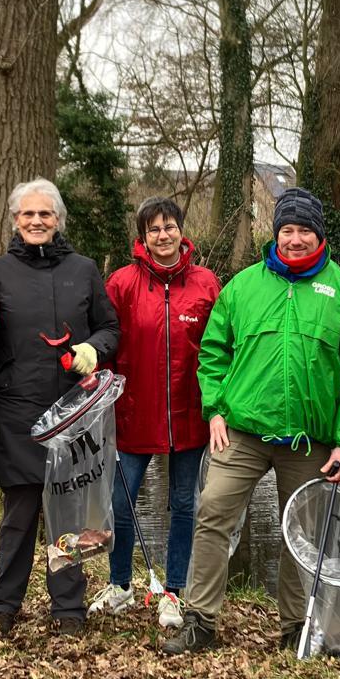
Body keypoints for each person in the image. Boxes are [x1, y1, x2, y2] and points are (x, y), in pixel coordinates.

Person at [160, 187, 340, 655]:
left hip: (309, 440)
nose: (295, 240)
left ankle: (297, 627)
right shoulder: (243, 287)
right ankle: (200, 620)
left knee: (303, 534)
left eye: (305, 231)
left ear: (319, 234)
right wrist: (214, 408)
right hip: (243, 432)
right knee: (212, 513)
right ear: (275, 232)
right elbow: (212, 353)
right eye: (287, 230)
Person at [0, 179, 120, 636]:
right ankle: (2, 605)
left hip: (74, 414)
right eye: (28, 214)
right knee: (19, 515)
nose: (36, 221)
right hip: (17, 415)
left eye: (45, 214)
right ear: (15, 220)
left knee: (68, 515)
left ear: (58, 221)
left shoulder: (84, 269)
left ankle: (68, 609)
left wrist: (93, 348)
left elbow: (111, 328)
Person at [92, 197, 220, 622]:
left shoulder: (207, 284)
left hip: (190, 414)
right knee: (121, 501)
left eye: (169, 227)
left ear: (181, 231)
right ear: (142, 236)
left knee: (185, 503)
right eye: (154, 229)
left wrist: (219, 403)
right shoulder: (122, 283)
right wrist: (103, 392)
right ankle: (120, 584)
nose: (162, 235)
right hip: (133, 413)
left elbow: (221, 348)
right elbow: (107, 341)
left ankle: (175, 590)